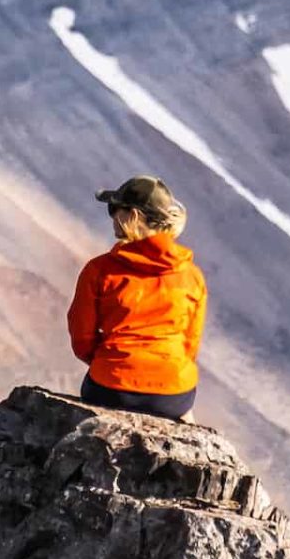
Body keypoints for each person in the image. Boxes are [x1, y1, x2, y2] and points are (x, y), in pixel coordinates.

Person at [68, 174, 207, 417]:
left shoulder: (99, 270)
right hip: (173, 394)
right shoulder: (192, 276)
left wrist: (112, 364)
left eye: (115, 209)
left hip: (111, 388)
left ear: (132, 216)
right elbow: (190, 344)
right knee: (186, 410)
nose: (111, 217)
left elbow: (82, 338)